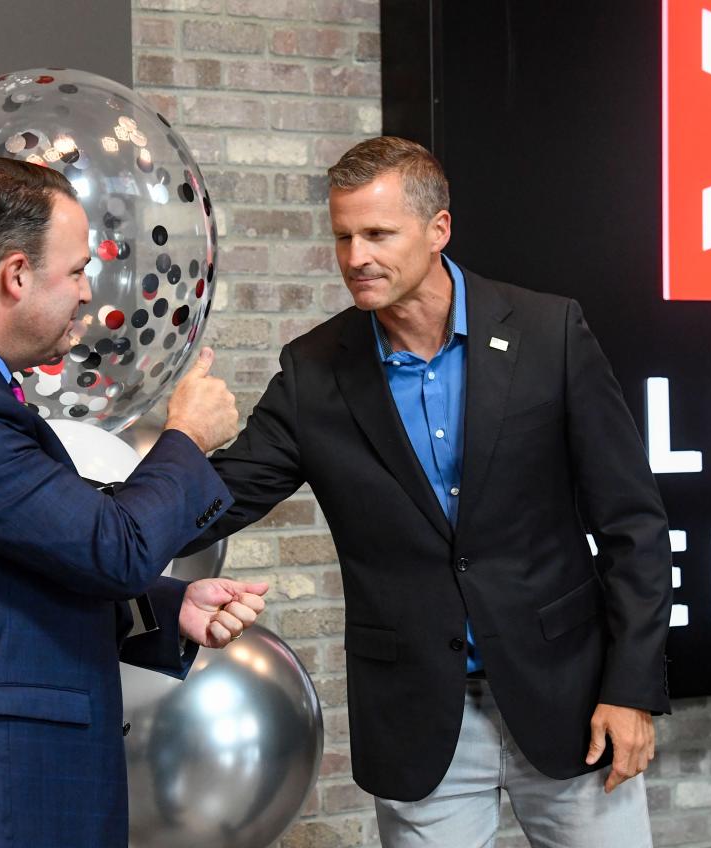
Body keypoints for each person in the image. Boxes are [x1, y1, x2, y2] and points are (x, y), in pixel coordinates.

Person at [184, 136, 672, 846]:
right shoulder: (315, 370)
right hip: (421, 723)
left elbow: (634, 526)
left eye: (378, 234)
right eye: (343, 236)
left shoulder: (548, 332)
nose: (355, 258)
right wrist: (169, 453)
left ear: (438, 229)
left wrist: (630, 689)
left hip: (569, 701)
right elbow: (223, 497)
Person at [0, 157, 267, 847]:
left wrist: (165, 605)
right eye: (75, 272)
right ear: (15, 275)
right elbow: (113, 548)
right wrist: (188, 435)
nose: (87, 294)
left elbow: (17, 565)